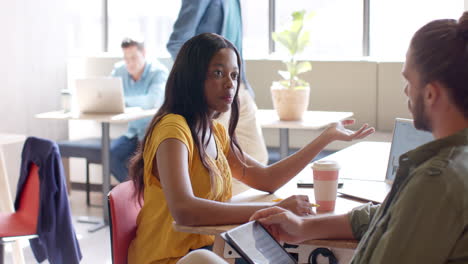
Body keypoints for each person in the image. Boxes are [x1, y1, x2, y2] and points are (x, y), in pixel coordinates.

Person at [126, 33, 374, 264]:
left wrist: (325, 138)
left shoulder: (215, 132)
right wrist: (272, 210)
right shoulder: (173, 129)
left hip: (211, 252)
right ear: (193, 77)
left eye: (234, 75)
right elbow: (185, 212)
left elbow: (267, 179)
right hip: (172, 259)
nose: (229, 84)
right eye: (218, 73)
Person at [247, 12, 468, 264]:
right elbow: (387, 215)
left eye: (409, 80)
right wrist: (304, 227)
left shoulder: (437, 181)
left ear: (430, 94)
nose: (406, 90)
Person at [167, 0, 269, 165]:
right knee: (214, 163)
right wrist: (196, 81)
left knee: (258, 156)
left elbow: (235, 46)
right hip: (211, 90)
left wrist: (243, 84)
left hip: (238, 86)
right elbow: (177, 42)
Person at [109, 37, 168, 182]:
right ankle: (135, 192)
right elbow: (107, 93)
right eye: (126, 58)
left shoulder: (158, 72)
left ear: (144, 54)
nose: (129, 63)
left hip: (153, 133)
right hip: (133, 133)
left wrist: (123, 101)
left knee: (148, 164)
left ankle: (142, 194)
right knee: (110, 155)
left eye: (134, 58)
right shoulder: (119, 70)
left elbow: (152, 101)